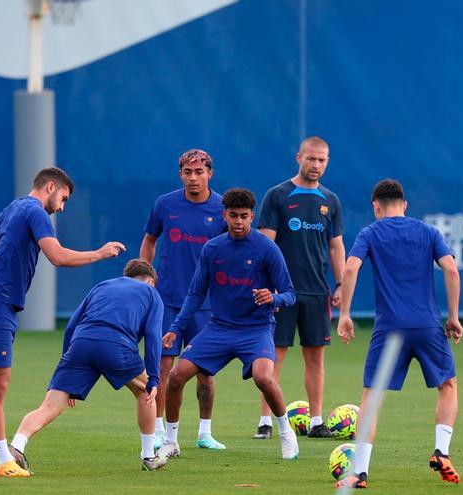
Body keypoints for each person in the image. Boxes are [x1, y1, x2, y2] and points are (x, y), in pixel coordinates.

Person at [0, 167, 126, 477]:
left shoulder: (13, 207)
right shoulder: (35, 211)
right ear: (50, 187)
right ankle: (4, 461)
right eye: (63, 199)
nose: (62, 207)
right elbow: (58, 257)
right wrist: (99, 253)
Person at [336, 179, 463, 489]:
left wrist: (344, 315)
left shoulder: (370, 232)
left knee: (372, 397)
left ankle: (360, 472)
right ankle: (441, 451)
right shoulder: (428, 232)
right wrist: (454, 317)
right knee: (447, 385)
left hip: (389, 329)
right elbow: (451, 269)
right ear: (404, 205)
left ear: (375, 207)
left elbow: (350, 269)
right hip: (427, 325)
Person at [156, 188, 300, 460]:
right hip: (219, 328)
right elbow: (196, 293)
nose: (238, 222)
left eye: (244, 216)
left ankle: (286, 433)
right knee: (176, 376)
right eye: (233, 216)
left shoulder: (267, 248)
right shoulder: (212, 248)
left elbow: (290, 293)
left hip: (256, 329)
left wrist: (274, 297)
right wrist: (176, 328)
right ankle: (171, 441)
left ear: (251, 216)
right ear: (224, 215)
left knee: (264, 378)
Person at [7, 259, 167, 472]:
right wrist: (154, 378)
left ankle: (16, 446)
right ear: (152, 281)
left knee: (50, 406)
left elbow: (71, 325)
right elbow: (153, 337)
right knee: (145, 392)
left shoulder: (103, 286)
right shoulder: (151, 294)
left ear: (126, 276)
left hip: (80, 344)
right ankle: (148, 456)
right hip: (116, 344)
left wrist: (68, 365)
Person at [254, 136, 345, 439]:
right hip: (281, 292)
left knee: (315, 356)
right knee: (274, 354)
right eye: (311, 158)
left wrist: (341, 283)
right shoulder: (278, 195)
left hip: (317, 292)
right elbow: (264, 243)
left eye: (322, 160)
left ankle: (317, 421)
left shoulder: (330, 201)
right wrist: (266, 285)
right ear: (299, 158)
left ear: (327, 162)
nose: (316, 165)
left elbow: (336, 247)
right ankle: (266, 422)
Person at [139, 149, 226, 450]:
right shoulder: (165, 204)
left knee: (204, 370)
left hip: (206, 305)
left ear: (209, 174)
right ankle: (160, 430)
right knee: (163, 366)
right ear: (180, 174)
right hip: (168, 301)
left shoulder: (222, 208)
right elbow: (150, 240)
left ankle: (204, 433)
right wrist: (145, 279)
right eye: (188, 172)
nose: (193, 177)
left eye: (199, 172)